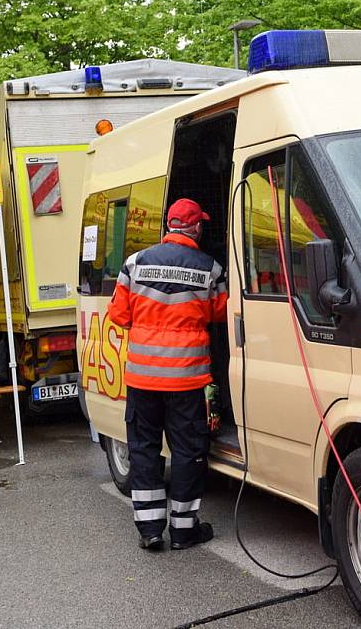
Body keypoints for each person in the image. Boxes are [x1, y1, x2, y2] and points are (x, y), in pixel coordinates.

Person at [108, 198, 228, 551]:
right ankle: (183, 529)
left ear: (168, 224)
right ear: (196, 227)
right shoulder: (210, 268)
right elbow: (220, 314)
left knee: (144, 450)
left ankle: (150, 530)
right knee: (188, 452)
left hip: (143, 380)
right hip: (187, 380)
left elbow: (119, 315)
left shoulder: (135, 263)